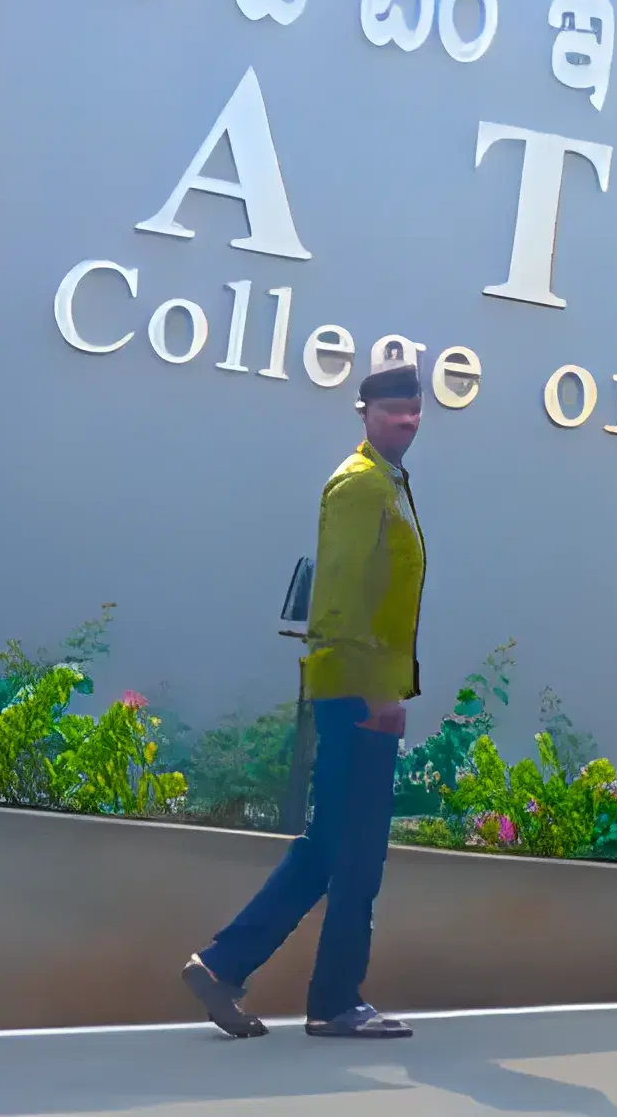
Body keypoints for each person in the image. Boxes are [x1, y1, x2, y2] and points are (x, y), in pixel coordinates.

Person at [183, 363, 433, 1042]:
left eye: (415, 410)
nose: (407, 420)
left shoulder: (388, 483)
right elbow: (342, 597)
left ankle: (224, 967)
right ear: (365, 412)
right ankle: (333, 1001)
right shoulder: (360, 485)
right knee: (357, 853)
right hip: (355, 690)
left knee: (333, 845)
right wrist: (377, 691)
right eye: (394, 410)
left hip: (362, 688)